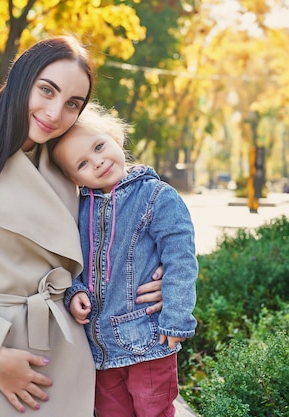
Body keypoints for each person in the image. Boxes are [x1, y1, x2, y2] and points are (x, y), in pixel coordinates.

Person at [0, 36, 164, 417]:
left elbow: (119, 228)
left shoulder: (67, 164)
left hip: (68, 359)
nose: (55, 113)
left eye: (73, 104)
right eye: (46, 90)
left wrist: (156, 276)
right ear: (21, 80)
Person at [52, 103, 198, 417]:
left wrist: (177, 320)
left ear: (115, 138)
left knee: (154, 411)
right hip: (99, 349)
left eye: (99, 146)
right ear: (72, 178)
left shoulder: (156, 196)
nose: (98, 161)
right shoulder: (78, 210)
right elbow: (72, 262)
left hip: (147, 341)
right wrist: (74, 291)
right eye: (83, 163)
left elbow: (181, 261)